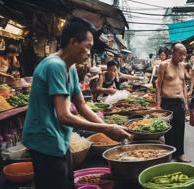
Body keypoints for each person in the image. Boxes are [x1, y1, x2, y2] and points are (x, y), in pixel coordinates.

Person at [22, 17, 131, 189]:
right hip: (43, 140)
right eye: (87, 46)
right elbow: (64, 116)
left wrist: (107, 129)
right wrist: (108, 128)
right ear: (73, 42)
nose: (89, 52)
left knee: (66, 181)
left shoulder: (70, 67)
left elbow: (81, 105)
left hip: (58, 139)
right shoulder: (54, 65)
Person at [156, 43, 190, 162]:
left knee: (180, 129)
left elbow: (184, 85)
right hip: (167, 102)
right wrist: (158, 104)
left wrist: (186, 103)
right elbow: (159, 85)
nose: (182, 57)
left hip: (179, 102)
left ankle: (180, 154)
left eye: (184, 55)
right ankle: (170, 154)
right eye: (180, 54)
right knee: (168, 131)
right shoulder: (164, 65)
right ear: (173, 53)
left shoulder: (182, 66)